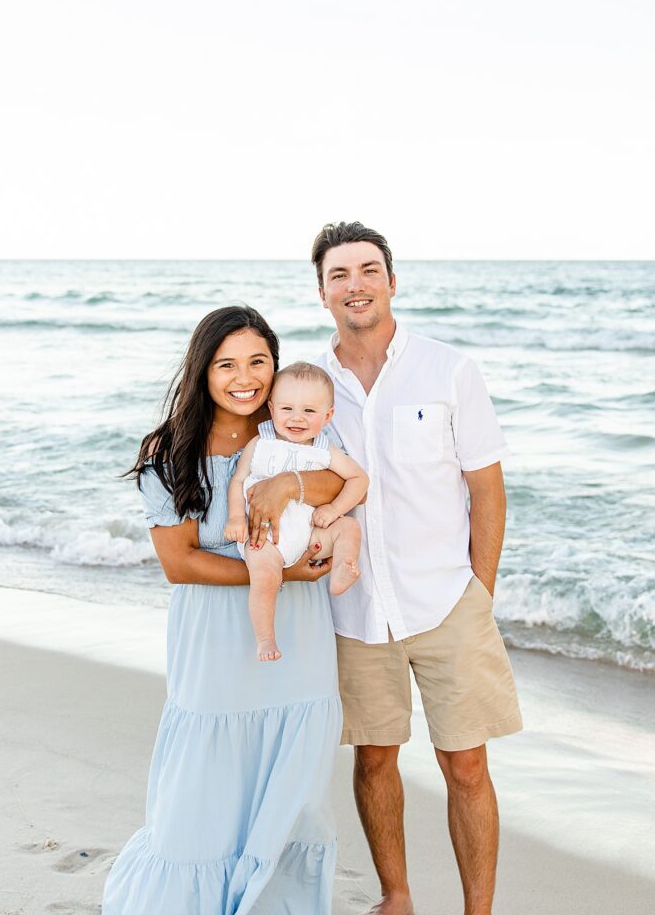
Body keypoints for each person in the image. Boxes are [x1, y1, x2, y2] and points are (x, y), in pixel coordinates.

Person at [102, 306, 344, 915]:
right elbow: (179, 562)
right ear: (202, 370)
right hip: (214, 635)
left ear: (276, 364)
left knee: (294, 782)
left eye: (258, 361)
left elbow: (341, 485)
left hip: (301, 636)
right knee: (205, 782)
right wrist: (278, 571)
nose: (245, 377)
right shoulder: (171, 448)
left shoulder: (296, 424)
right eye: (226, 363)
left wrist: (287, 486)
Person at [312, 222, 523, 915]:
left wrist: (479, 591)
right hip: (354, 608)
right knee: (373, 759)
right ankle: (395, 897)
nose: (355, 285)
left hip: (446, 602)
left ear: (391, 281)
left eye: (367, 270)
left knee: (465, 764)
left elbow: (486, 489)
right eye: (339, 274)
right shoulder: (310, 387)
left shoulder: (448, 369)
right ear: (322, 292)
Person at [225, 361, 369, 661]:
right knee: (264, 578)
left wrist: (334, 508)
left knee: (349, 528)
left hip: (308, 532)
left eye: (309, 411)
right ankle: (265, 638)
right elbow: (238, 480)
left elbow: (360, 480)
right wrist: (237, 517)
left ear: (328, 416)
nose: (297, 419)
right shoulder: (260, 443)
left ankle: (343, 567)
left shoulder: (324, 450)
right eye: (287, 409)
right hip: (262, 535)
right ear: (272, 408)